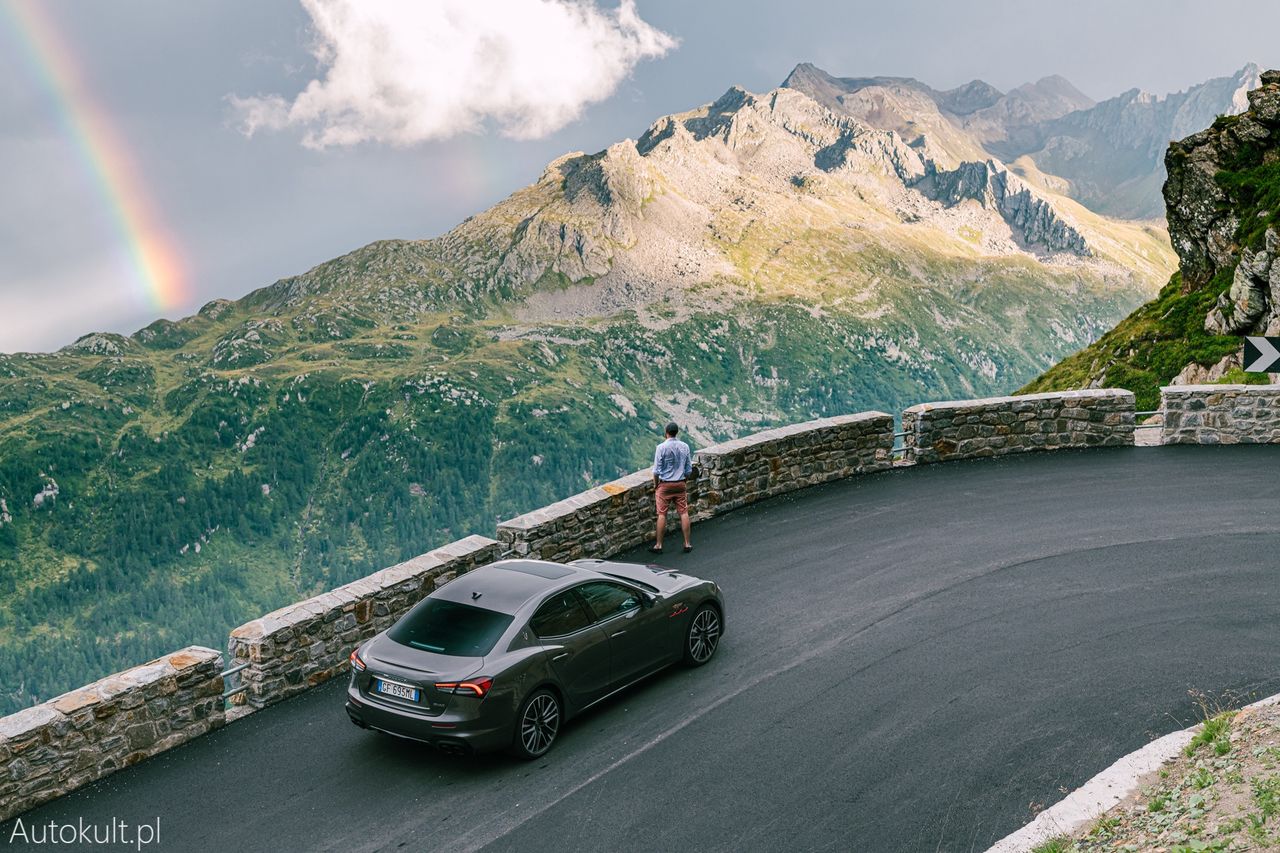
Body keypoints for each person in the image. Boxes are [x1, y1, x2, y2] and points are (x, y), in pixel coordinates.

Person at [650, 422, 693, 554]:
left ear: (666, 432)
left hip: (665, 484)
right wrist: (684, 481)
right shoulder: (685, 446)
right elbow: (689, 469)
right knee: (684, 512)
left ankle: (659, 545)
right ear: (677, 432)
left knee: (662, 514)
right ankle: (687, 544)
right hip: (680, 484)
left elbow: (656, 471)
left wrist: (656, 485)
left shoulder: (661, 447)